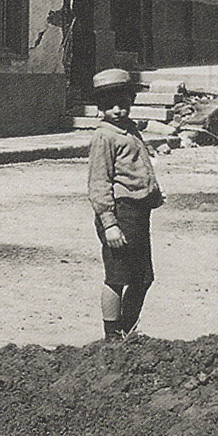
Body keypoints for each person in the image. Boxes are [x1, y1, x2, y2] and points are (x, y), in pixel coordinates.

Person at [86, 68, 162, 343]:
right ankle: (111, 336)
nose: (118, 110)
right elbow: (98, 182)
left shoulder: (129, 130)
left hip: (138, 212)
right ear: (100, 108)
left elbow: (137, 167)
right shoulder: (104, 137)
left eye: (124, 104)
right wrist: (110, 224)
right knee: (117, 277)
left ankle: (126, 330)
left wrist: (153, 192)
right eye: (111, 106)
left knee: (143, 277)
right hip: (119, 213)